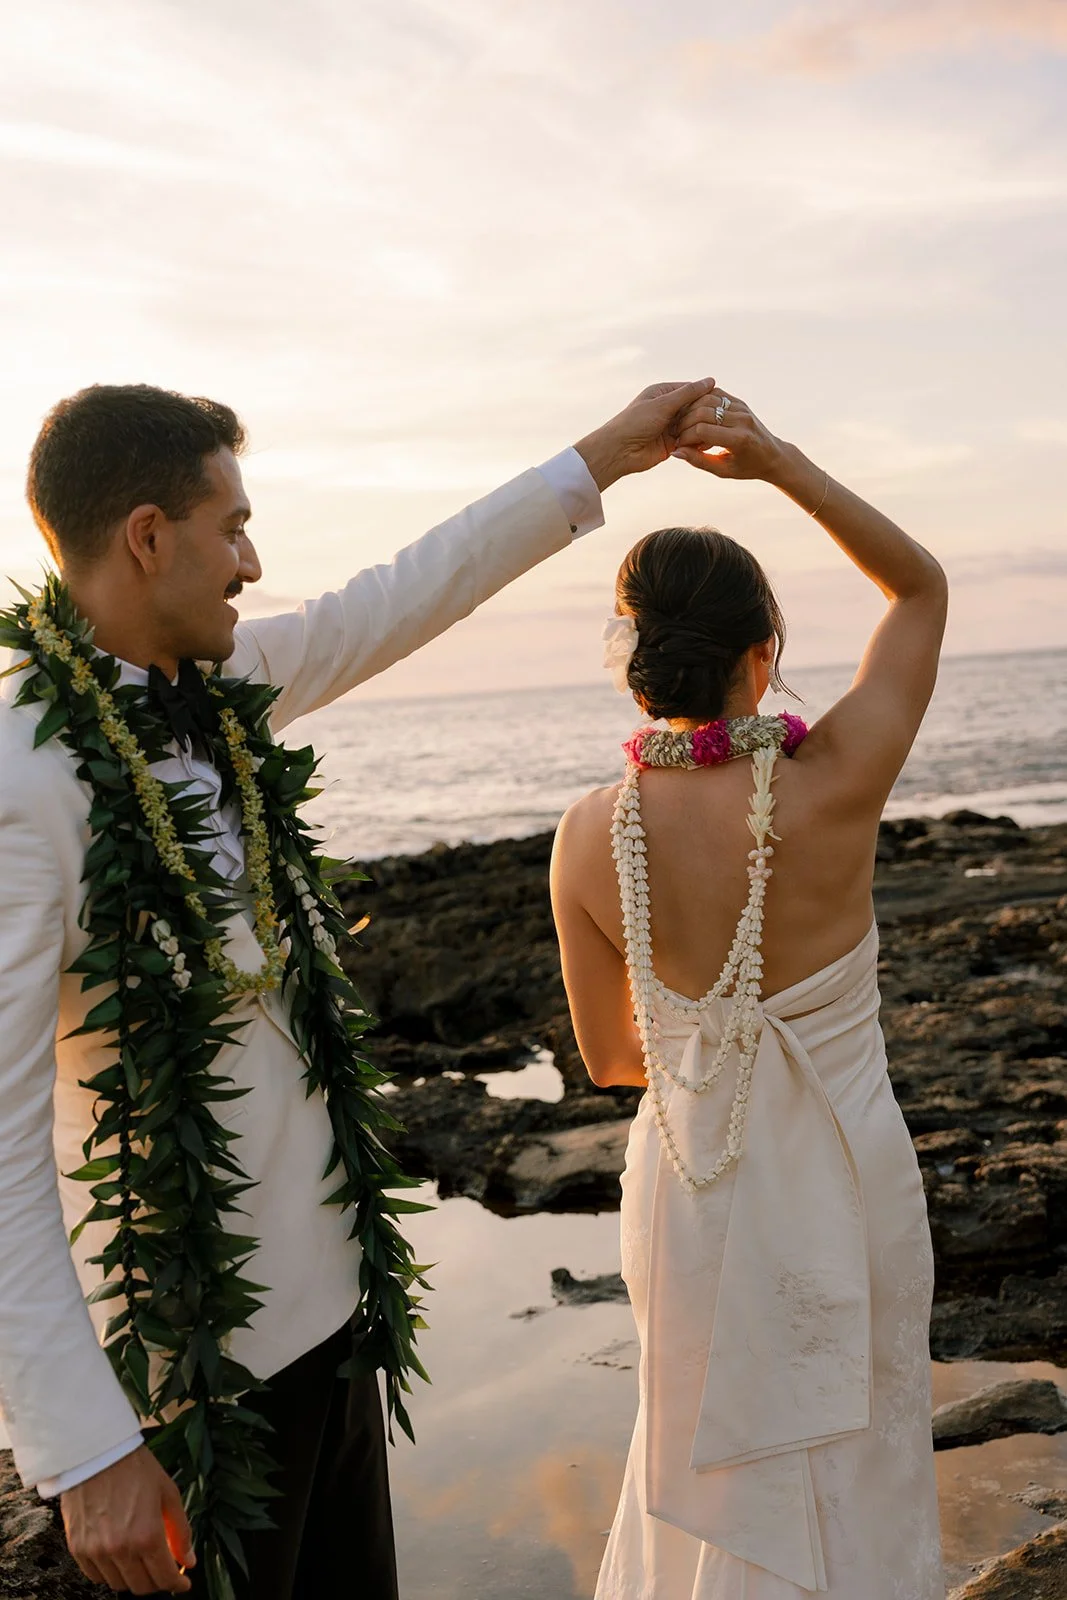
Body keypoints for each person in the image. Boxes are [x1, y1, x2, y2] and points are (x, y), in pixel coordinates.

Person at [0, 372, 719, 1600]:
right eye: (231, 527)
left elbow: (406, 591)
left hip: (332, 1329)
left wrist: (603, 456)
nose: (251, 560)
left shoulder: (227, 693)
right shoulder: (24, 778)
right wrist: (84, 1450)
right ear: (146, 534)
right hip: (193, 1375)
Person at [550, 385, 948, 1598]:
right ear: (760, 652)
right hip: (847, 1172)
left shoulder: (586, 834)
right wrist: (778, 463)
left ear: (634, 661)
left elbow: (613, 1064)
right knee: (860, 1453)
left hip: (692, 1192)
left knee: (698, 1471)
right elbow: (920, 590)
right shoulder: (832, 777)